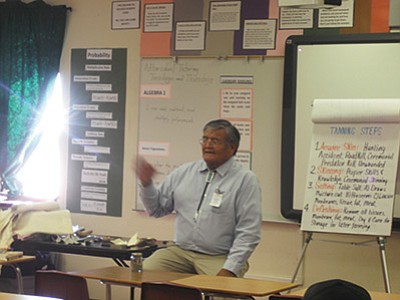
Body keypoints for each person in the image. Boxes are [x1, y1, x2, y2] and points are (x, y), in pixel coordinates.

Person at [134, 119, 262, 277]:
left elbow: (249, 232)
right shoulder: (185, 172)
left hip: (218, 257)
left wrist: (231, 268)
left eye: (215, 140)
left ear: (232, 147)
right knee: (142, 275)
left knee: (220, 292)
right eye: (205, 139)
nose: (208, 145)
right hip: (180, 252)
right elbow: (156, 209)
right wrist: (146, 183)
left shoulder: (245, 180)